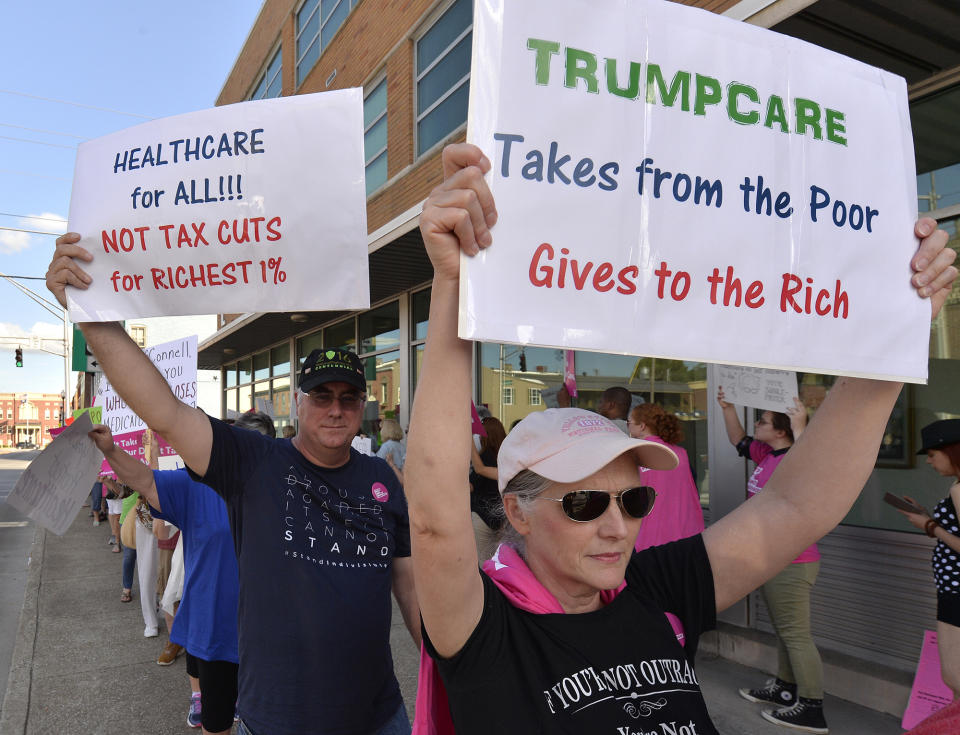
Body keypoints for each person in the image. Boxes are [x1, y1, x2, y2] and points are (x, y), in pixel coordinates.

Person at [403, 142, 956, 735]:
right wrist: (452, 286)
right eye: (585, 504)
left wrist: (896, 334)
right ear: (518, 510)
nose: (618, 527)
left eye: (634, 499)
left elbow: (795, 507)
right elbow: (435, 515)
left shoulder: (653, 585)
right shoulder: (486, 626)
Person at [45, 244, 420, 735]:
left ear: (363, 406)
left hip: (378, 717)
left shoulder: (383, 481)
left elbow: (410, 587)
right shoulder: (255, 463)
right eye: (322, 396)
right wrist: (90, 316)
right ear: (299, 404)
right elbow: (166, 411)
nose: (336, 409)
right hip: (277, 721)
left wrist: (448, 672)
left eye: (349, 399)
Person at [90, 412, 273, 734]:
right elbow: (145, 480)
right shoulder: (197, 488)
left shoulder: (284, 491)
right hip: (216, 630)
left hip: (271, 631)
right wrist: (110, 450)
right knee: (216, 724)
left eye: (261, 445)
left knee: (272, 720)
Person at [716, 394, 826, 730]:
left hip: (792, 560)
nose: (756, 425)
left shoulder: (794, 459)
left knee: (796, 635)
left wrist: (802, 425)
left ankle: (811, 707)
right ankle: (786, 687)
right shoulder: (768, 454)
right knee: (784, 632)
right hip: (772, 557)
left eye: (762, 421)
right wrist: (727, 409)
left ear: (781, 431)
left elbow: (812, 464)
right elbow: (738, 440)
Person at [895, 418, 960, 701]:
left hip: (956, 591)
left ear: (952, 451)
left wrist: (929, 527)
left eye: (932, 455)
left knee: (955, 675)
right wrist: (930, 519)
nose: (929, 462)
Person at [628, 403, 704, 550]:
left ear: (642, 426)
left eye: (629, 422)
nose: (628, 426)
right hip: (687, 532)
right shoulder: (681, 452)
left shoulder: (634, 452)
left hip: (649, 536)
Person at [469, 416, 507, 560]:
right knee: (499, 559)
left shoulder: (483, 458)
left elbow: (479, 472)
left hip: (482, 515)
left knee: (483, 560)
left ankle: (486, 583)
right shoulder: (507, 459)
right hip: (503, 517)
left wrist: (470, 443)